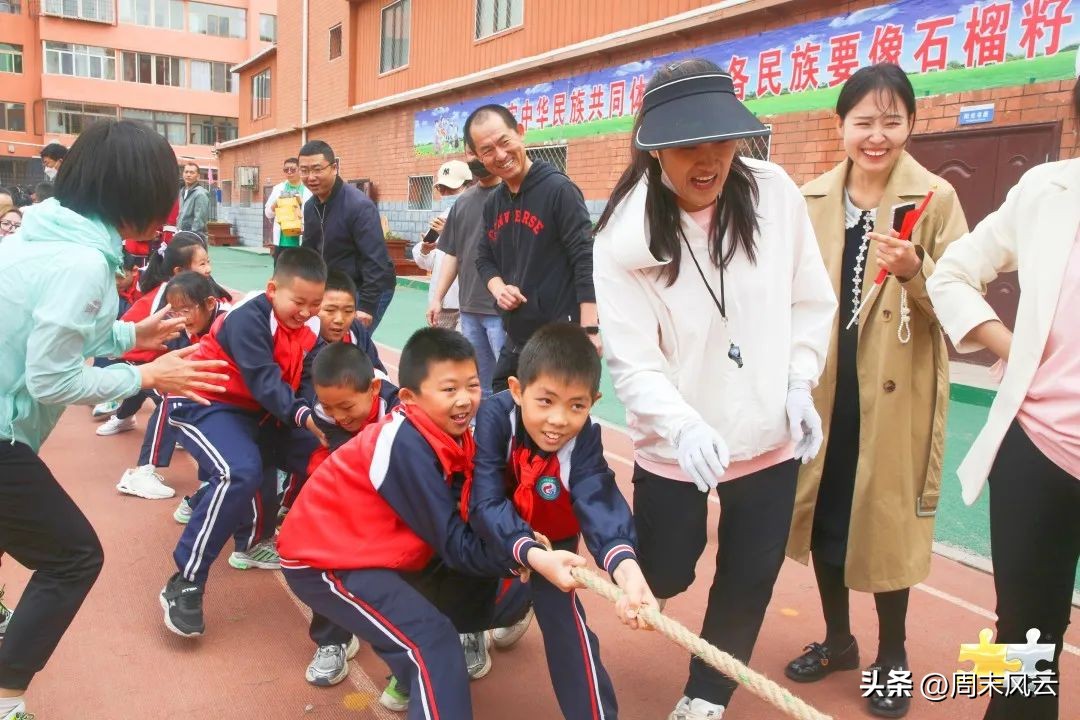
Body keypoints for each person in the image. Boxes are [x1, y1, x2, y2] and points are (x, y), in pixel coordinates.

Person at [592, 60, 836, 720]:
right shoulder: (623, 235)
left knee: (750, 576)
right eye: (686, 146)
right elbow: (634, 364)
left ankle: (707, 692)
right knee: (666, 569)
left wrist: (798, 382)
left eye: (720, 140)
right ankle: (665, 580)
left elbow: (810, 299)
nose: (708, 160)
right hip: (678, 444)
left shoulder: (774, 193)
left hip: (767, 434)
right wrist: (684, 425)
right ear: (653, 148)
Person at [0, 119, 227, 720]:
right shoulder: (84, 263)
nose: (167, 208)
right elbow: (51, 377)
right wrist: (146, 375)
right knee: (73, 557)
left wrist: (131, 333)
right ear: (135, 194)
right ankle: (7, 695)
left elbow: (49, 328)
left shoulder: (39, 235)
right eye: (163, 192)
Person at [781, 64, 969, 719]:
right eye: (864, 121)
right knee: (827, 518)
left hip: (896, 398)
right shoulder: (808, 200)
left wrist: (918, 271)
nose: (877, 135)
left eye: (892, 120)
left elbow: (961, 302)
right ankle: (839, 640)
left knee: (886, 526)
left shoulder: (935, 199)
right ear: (841, 126)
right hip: (827, 390)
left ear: (911, 124)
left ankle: (893, 655)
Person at [276, 327, 578, 720]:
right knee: (431, 643)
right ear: (409, 397)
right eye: (449, 389)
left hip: (378, 551)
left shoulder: (450, 436)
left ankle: (421, 675)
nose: (465, 399)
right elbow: (453, 540)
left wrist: (522, 546)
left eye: (472, 385)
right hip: (326, 563)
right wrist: (525, 555)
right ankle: (423, 672)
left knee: (440, 631)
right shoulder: (405, 445)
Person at [926, 70, 1080, 720]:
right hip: (1036, 452)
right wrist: (1014, 346)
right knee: (1021, 635)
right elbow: (954, 273)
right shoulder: (1048, 190)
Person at [469, 322, 657, 719]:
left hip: (556, 542)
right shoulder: (495, 417)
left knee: (566, 629)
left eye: (576, 405)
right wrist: (526, 550)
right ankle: (476, 623)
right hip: (499, 534)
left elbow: (597, 493)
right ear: (518, 391)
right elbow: (484, 502)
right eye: (546, 401)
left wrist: (625, 567)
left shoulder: (585, 436)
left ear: (594, 401)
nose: (558, 420)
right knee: (474, 599)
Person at [160, 247, 327, 638]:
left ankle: (350, 564)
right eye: (299, 302)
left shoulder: (311, 330)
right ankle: (185, 580)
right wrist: (305, 416)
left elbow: (307, 380)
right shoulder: (247, 319)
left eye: (316, 303)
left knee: (335, 455)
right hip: (208, 401)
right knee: (238, 471)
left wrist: (323, 418)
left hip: (264, 413)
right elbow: (264, 380)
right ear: (273, 289)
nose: (307, 311)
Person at [465, 105, 599, 392]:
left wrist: (590, 328)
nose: (500, 155)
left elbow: (585, 257)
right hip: (516, 337)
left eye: (504, 142)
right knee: (502, 410)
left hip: (558, 339)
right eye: (487, 150)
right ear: (478, 157)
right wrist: (498, 287)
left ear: (521, 133)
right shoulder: (494, 203)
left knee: (551, 425)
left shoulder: (558, 190)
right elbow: (483, 257)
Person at [298, 342, 399, 687]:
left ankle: (413, 654)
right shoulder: (325, 412)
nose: (339, 416)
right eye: (329, 407)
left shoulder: (398, 405)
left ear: (372, 389)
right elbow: (338, 465)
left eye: (346, 406)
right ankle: (332, 639)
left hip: (393, 492)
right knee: (325, 551)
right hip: (344, 487)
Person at [113, 272, 228, 500]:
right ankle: (143, 468)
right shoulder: (181, 324)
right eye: (176, 310)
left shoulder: (227, 323)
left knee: (172, 396)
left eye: (186, 310)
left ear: (209, 302)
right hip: (145, 363)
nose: (181, 317)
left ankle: (204, 483)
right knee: (166, 393)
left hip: (224, 388)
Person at [95, 234, 220, 438]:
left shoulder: (203, 289)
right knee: (163, 395)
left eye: (208, 262)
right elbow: (133, 326)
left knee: (146, 386)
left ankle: (124, 417)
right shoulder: (165, 296)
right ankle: (152, 454)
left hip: (164, 355)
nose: (208, 268)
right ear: (179, 271)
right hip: (145, 354)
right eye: (202, 263)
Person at [426, 152, 505, 397]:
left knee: (507, 382)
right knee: (478, 384)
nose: (479, 156)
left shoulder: (512, 196)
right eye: (473, 150)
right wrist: (437, 298)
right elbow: (452, 253)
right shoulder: (463, 203)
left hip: (502, 311)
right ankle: (483, 432)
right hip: (469, 309)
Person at [298, 140, 396, 330]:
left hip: (368, 286)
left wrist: (367, 305)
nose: (311, 177)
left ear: (334, 168)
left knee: (351, 341)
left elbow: (375, 260)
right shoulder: (311, 207)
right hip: (337, 285)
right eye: (304, 170)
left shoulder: (358, 206)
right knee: (329, 339)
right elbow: (309, 252)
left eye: (317, 169)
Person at [413, 159, 471, 329]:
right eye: (441, 189)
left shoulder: (478, 214)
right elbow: (428, 262)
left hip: (465, 304)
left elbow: (476, 254)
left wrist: (450, 234)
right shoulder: (442, 217)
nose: (445, 194)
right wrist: (424, 249)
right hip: (440, 304)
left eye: (451, 189)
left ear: (468, 186)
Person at [264, 157, 312, 257]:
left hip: (302, 240)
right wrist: (275, 205)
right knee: (281, 271)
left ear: (299, 170)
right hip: (282, 242)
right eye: (286, 170)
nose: (289, 172)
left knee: (300, 272)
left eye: (293, 169)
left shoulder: (309, 189)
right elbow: (268, 213)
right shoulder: (278, 189)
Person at [177, 161, 210, 235]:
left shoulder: (200, 193)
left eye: (192, 172)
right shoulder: (182, 191)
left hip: (193, 237)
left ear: (198, 176)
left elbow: (199, 220)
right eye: (186, 172)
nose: (188, 175)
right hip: (181, 234)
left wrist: (191, 236)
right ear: (183, 174)